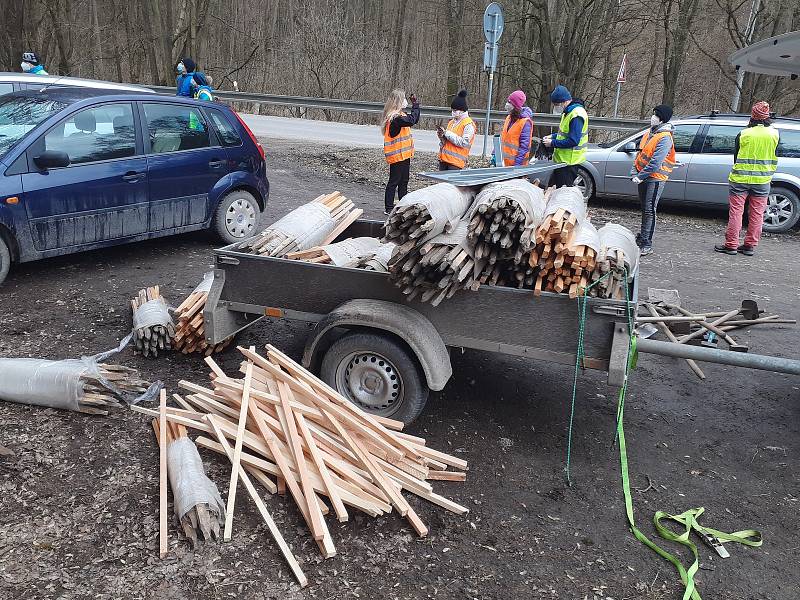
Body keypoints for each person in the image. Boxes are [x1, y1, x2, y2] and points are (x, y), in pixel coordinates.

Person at [714, 101, 779, 256]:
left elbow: (736, 157)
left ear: (753, 116)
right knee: (757, 214)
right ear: (767, 116)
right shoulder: (775, 134)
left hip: (740, 179)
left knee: (736, 212)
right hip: (762, 181)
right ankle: (749, 246)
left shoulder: (743, 134)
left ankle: (731, 245)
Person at [631, 105, 676, 256]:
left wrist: (640, 176)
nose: (653, 117)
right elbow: (640, 154)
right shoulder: (650, 133)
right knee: (645, 208)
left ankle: (646, 243)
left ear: (662, 119)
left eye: (656, 115)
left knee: (650, 210)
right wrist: (634, 171)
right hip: (644, 176)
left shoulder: (664, 137)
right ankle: (643, 237)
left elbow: (656, 163)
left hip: (655, 178)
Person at [382, 89, 420, 214]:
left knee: (404, 181)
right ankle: (388, 208)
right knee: (394, 181)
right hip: (397, 155)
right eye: (403, 99)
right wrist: (416, 105)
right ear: (398, 101)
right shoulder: (395, 118)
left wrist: (415, 106)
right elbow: (412, 120)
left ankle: (403, 204)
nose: (405, 101)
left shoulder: (400, 115)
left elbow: (413, 119)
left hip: (404, 155)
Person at [542, 85, 588, 188]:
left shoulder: (576, 115)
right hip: (562, 162)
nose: (555, 107)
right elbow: (564, 134)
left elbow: (573, 140)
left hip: (569, 163)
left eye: (556, 104)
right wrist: (552, 136)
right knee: (553, 189)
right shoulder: (568, 112)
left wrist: (552, 143)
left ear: (564, 101)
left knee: (562, 193)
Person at [437, 90, 475, 170]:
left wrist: (447, 133)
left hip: (455, 163)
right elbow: (447, 141)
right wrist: (442, 136)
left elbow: (464, 143)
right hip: (444, 160)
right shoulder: (451, 122)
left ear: (462, 110)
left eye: (455, 110)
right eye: (452, 110)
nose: (453, 112)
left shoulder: (468, 124)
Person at [498, 90, 534, 166]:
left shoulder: (525, 122)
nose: (507, 104)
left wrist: (517, 166)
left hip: (516, 165)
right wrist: (495, 153)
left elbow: (524, 147)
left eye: (510, 102)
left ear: (515, 105)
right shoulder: (509, 118)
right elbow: (503, 138)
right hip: (504, 163)